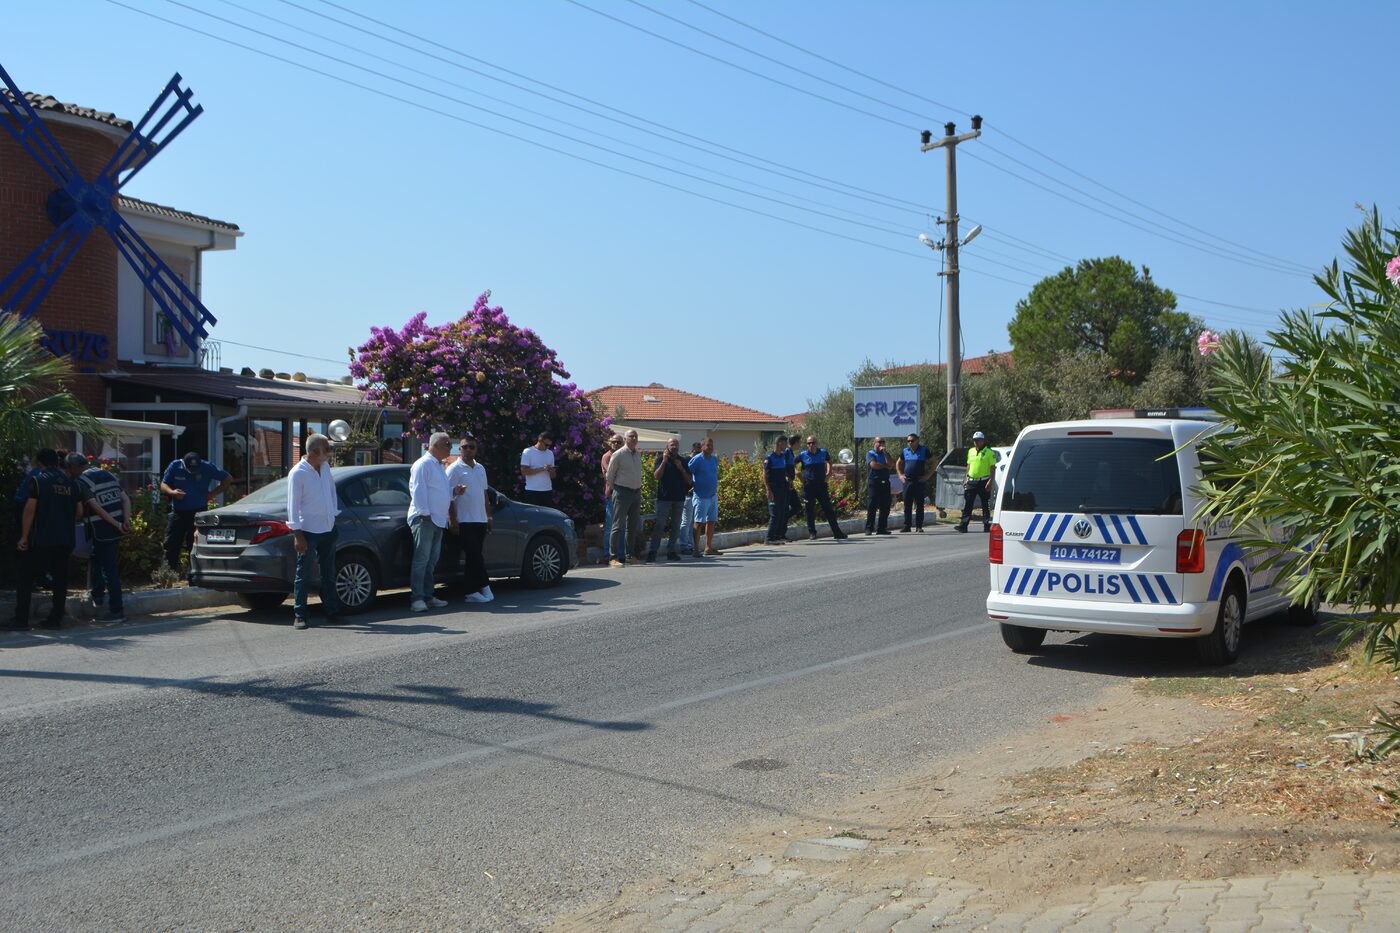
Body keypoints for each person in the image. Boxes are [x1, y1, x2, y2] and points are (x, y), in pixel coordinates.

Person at [7, 449, 80, 631]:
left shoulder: (38, 481)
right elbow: (79, 512)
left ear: (40, 463)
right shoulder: (72, 484)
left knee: (25, 578)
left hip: (42, 539)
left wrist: (24, 537)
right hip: (65, 540)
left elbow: (29, 510)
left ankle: (21, 620)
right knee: (60, 580)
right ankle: (55, 619)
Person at [286, 433, 341, 630]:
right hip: (308, 530)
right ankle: (300, 614)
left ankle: (332, 611)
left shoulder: (325, 468)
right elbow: (292, 504)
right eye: (327, 449)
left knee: (329, 573)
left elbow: (331, 492)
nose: (330, 453)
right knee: (304, 573)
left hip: (328, 527)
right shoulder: (298, 473)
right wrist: (297, 533)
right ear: (316, 452)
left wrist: (333, 516)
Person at [408, 433, 463, 611]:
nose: (449, 447)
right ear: (435, 445)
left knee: (431, 561)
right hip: (425, 518)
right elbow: (417, 490)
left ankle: (428, 596)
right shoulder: (423, 464)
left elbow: (441, 490)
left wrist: (454, 491)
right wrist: (424, 514)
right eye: (446, 444)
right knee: (421, 560)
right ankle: (417, 599)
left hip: (438, 520)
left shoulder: (438, 465)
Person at [77, 456, 133, 624]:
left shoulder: (83, 480)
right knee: (95, 558)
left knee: (109, 570)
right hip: (116, 528)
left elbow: (96, 507)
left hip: (103, 529)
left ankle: (116, 610)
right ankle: (98, 594)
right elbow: (126, 499)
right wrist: (126, 521)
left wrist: (116, 524)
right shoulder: (109, 475)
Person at [159, 450, 231, 571]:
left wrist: (212, 494)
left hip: (199, 513)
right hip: (178, 513)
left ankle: (194, 577)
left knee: (195, 545)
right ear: (184, 464)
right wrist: (173, 493)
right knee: (171, 544)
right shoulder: (175, 466)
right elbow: (163, 484)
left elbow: (228, 478)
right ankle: (167, 575)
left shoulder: (207, 466)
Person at [448, 433, 494, 603]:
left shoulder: (480, 468)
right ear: (459, 449)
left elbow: (484, 494)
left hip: (480, 519)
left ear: (476, 450)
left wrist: (488, 516)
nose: (468, 450)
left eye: (471, 447)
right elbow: (448, 496)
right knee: (474, 554)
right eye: (464, 447)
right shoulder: (454, 469)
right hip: (464, 520)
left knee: (475, 555)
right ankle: (477, 588)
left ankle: (475, 588)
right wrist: (453, 519)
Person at [647, 437, 692, 563]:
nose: (674, 447)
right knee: (660, 525)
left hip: (679, 498)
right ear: (667, 446)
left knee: (676, 526)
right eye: (672, 444)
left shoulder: (682, 461)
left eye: (676, 444)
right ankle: (652, 552)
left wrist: (681, 468)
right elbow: (656, 476)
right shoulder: (661, 459)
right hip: (664, 498)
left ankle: (671, 551)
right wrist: (664, 462)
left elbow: (689, 480)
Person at [796, 436, 849, 541]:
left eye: (813, 443)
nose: (811, 445)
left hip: (821, 486)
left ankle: (837, 533)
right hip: (809, 486)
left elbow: (829, 461)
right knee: (810, 510)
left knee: (829, 509)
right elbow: (792, 463)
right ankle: (812, 533)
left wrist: (829, 473)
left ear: (817, 443)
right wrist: (798, 474)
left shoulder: (823, 452)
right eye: (809, 443)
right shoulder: (803, 455)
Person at [605, 429, 643, 567]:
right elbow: (609, 475)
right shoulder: (618, 454)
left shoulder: (637, 454)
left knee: (632, 526)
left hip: (636, 492)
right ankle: (613, 557)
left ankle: (629, 555)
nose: (633, 438)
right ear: (626, 439)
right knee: (617, 526)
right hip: (622, 492)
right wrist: (617, 490)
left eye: (635, 436)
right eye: (631, 436)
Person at [957, 431, 998, 533]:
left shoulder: (989, 452)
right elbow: (969, 465)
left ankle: (986, 524)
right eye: (974, 440)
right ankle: (964, 525)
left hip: (984, 481)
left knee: (985, 504)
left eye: (978, 440)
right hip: (972, 481)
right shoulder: (971, 451)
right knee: (968, 503)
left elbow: (993, 467)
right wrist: (966, 477)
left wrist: (990, 480)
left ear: (983, 440)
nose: (976, 442)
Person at [688, 437, 721, 556]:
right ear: (702, 447)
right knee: (698, 523)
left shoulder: (714, 459)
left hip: (712, 495)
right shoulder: (696, 460)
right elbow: (688, 473)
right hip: (700, 496)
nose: (711, 447)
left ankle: (708, 548)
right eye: (708, 445)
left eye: (712, 445)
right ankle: (696, 549)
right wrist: (691, 484)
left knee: (711, 521)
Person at [897, 433, 930, 533]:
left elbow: (934, 461)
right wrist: (900, 475)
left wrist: (928, 476)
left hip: (919, 481)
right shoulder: (905, 451)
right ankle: (907, 526)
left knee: (919, 504)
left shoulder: (924, 450)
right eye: (908, 441)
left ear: (917, 440)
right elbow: (898, 462)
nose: (910, 443)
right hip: (907, 481)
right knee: (907, 504)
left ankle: (919, 526)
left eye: (912, 441)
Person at [763, 436, 791, 545]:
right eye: (785, 443)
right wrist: (768, 490)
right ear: (780, 443)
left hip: (782, 487)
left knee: (781, 513)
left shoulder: (783, 456)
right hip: (773, 488)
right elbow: (764, 474)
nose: (786, 446)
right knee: (774, 514)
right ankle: (768, 538)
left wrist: (787, 477)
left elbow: (784, 471)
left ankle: (776, 536)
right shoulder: (769, 457)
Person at [599, 433, 623, 563]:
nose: (616, 444)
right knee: (610, 527)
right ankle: (608, 555)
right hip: (612, 494)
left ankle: (621, 554)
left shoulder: (624, 455)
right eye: (614, 442)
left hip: (624, 495)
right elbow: (612, 474)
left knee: (621, 527)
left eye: (619, 442)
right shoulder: (607, 457)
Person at [865, 436, 893, 535]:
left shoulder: (886, 454)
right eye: (879, 442)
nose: (881, 444)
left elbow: (890, 464)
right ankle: (869, 528)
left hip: (885, 482)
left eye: (883, 442)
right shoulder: (870, 453)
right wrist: (885, 466)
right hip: (874, 482)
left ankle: (882, 528)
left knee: (885, 506)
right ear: (874, 443)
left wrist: (885, 453)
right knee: (872, 505)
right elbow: (874, 465)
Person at [519, 433, 556, 508]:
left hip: (547, 491)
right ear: (539, 441)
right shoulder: (528, 452)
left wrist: (551, 471)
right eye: (546, 445)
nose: (547, 447)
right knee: (533, 518)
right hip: (532, 491)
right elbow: (524, 472)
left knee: (547, 517)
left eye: (549, 445)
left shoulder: (550, 453)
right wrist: (542, 469)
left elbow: (553, 476)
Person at [678, 441, 702, 555]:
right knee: (686, 521)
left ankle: (690, 545)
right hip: (687, 494)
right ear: (694, 450)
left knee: (692, 521)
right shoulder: (686, 461)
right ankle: (684, 545)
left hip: (695, 495)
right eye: (698, 451)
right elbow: (684, 477)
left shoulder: (697, 461)